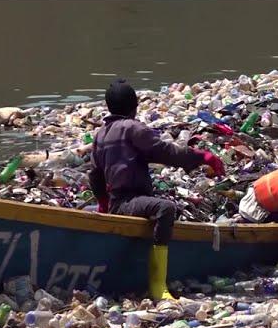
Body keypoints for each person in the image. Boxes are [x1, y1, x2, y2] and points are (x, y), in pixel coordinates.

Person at [88, 79, 224, 300]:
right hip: (127, 201)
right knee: (166, 209)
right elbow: (165, 152)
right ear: (134, 106)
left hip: (117, 201)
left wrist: (103, 203)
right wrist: (202, 157)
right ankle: (158, 285)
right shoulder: (132, 128)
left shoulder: (101, 135)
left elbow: (94, 174)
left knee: (159, 207)